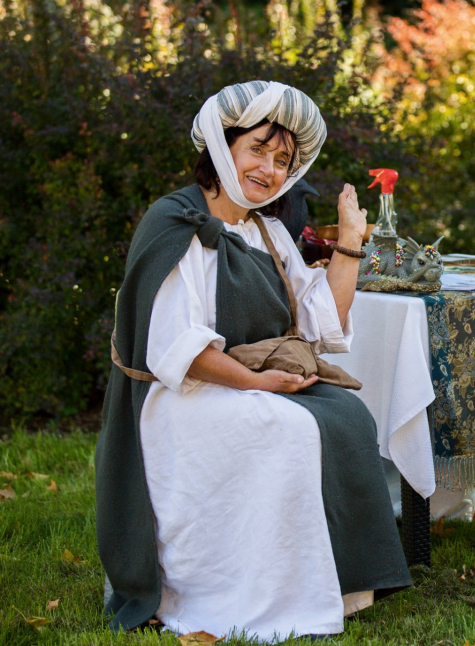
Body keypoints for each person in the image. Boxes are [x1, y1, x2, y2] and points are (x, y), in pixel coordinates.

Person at [96, 81, 410, 640]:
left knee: (347, 416)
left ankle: (335, 585)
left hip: (254, 377)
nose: (269, 169)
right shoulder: (174, 222)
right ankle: (237, 588)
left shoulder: (267, 229)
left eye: (282, 160)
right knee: (282, 429)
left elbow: (322, 319)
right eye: (258, 150)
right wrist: (259, 385)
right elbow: (179, 349)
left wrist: (353, 242)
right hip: (182, 395)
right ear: (223, 147)